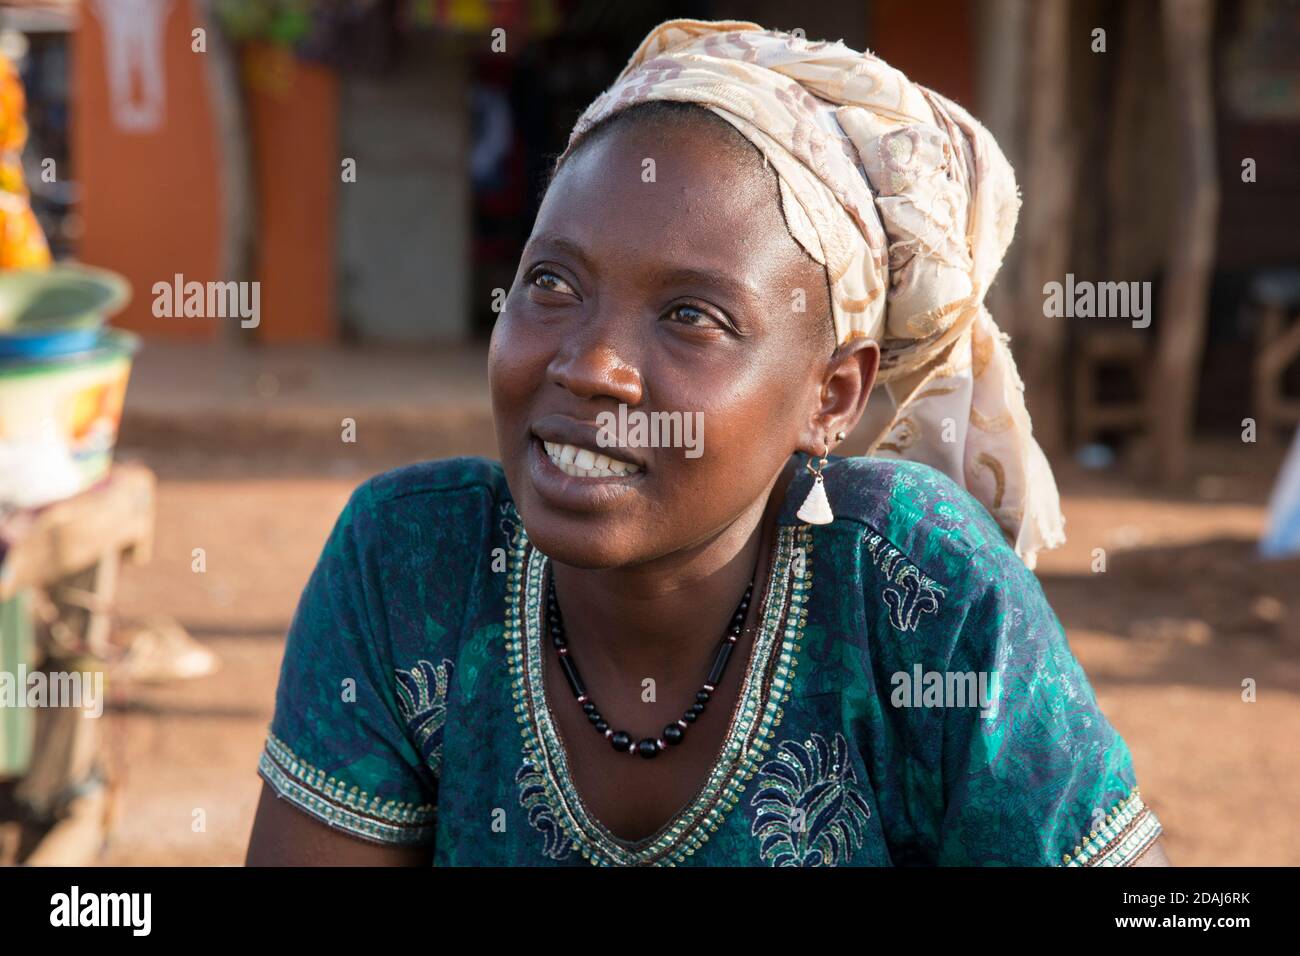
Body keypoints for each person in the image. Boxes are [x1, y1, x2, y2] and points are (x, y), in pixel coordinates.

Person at [246, 19, 1167, 866]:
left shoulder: (914, 589)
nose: (592, 366)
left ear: (831, 396)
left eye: (692, 315)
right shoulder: (411, 565)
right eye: (553, 284)